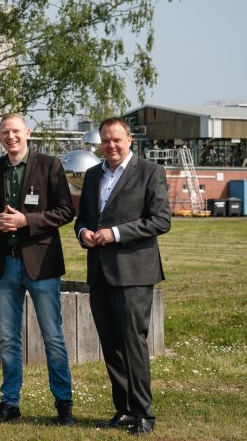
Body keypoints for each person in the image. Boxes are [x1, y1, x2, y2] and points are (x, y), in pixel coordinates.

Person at [0, 114, 76, 426]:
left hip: (41, 264)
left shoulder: (49, 165)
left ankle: (63, 402)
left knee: (53, 336)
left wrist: (25, 221)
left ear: (27, 133)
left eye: (15, 131)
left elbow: (66, 210)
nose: (10, 137)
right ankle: (10, 403)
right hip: (6, 264)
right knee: (8, 338)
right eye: (5, 132)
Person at [75, 117, 171, 436]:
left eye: (117, 139)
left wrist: (115, 233)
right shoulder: (92, 176)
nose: (111, 145)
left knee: (132, 343)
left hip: (134, 271)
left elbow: (160, 221)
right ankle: (124, 409)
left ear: (130, 139)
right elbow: (83, 220)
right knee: (111, 344)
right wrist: (85, 232)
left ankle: (143, 413)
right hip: (100, 271)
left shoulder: (150, 172)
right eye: (106, 140)